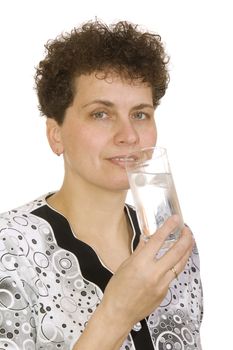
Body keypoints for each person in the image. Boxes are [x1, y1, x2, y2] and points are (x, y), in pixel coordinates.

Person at [0, 20, 203, 350]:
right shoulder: (9, 249)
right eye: (100, 114)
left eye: (140, 114)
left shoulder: (178, 248)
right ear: (56, 134)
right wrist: (117, 313)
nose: (129, 135)